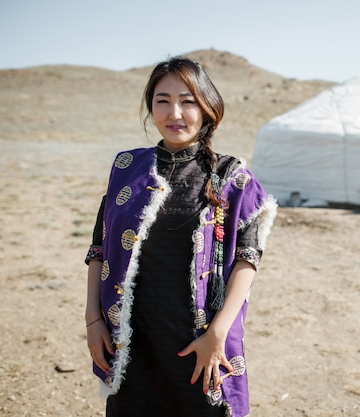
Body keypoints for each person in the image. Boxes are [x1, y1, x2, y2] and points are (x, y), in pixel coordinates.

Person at [84, 56, 277, 417]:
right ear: (150, 108)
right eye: (162, 101)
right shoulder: (127, 168)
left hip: (202, 339)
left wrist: (217, 333)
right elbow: (99, 246)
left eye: (187, 101)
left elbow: (248, 260)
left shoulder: (231, 177)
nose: (175, 112)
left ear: (207, 107)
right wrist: (93, 319)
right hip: (132, 339)